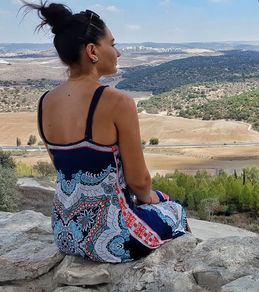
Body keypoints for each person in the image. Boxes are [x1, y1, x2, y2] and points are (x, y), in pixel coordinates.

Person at [22, 1, 189, 263]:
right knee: (174, 208)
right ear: (92, 51)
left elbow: (66, 170)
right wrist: (154, 199)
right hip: (113, 237)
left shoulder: (45, 102)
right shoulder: (117, 102)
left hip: (65, 233)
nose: (118, 52)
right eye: (112, 44)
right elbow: (140, 183)